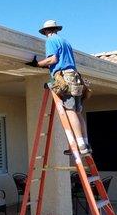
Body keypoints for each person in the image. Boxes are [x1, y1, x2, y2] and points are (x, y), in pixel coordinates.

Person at [26, 19, 91, 154]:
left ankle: (81, 146)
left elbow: (53, 59)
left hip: (65, 78)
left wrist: (37, 64)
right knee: (77, 112)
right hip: (75, 77)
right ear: (56, 29)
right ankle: (85, 143)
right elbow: (61, 61)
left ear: (46, 32)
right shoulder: (66, 42)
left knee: (70, 111)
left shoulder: (50, 41)